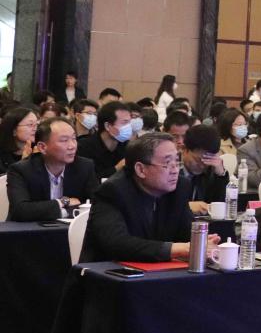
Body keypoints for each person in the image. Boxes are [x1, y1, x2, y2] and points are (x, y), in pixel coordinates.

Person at [81, 133, 219, 262]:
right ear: (141, 169)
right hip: (109, 272)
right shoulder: (113, 191)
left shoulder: (179, 187)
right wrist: (176, 249)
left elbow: (185, 232)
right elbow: (117, 243)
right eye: (167, 163)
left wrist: (201, 242)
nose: (175, 170)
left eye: (177, 162)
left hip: (159, 271)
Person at [6, 117, 99, 221]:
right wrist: (63, 202)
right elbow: (20, 210)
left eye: (74, 139)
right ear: (42, 147)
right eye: (64, 140)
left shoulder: (84, 166)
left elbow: (98, 204)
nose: (72, 146)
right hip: (29, 229)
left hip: (69, 229)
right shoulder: (21, 170)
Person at [178, 124, 228, 214]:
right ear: (184, 150)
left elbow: (219, 208)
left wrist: (220, 175)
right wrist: (187, 206)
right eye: (198, 160)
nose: (202, 165)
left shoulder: (211, 168)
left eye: (207, 161)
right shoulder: (170, 170)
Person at [77, 101, 132, 180]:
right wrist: (116, 168)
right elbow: (86, 180)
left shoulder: (127, 146)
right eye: (124, 123)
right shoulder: (84, 147)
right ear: (107, 126)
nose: (129, 127)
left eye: (129, 122)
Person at [0, 107, 38, 173]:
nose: (35, 129)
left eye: (37, 124)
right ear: (13, 130)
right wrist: (23, 165)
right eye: (30, 125)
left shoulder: (39, 149)